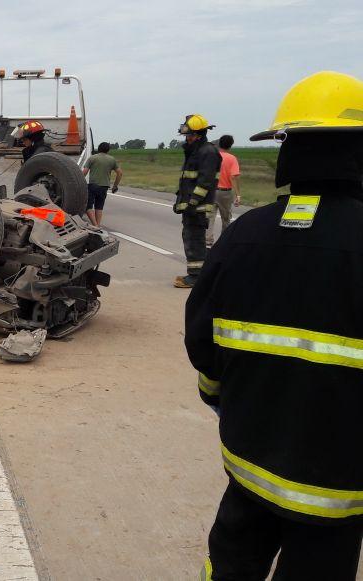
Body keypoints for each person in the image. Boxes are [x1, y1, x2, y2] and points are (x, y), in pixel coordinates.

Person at [185, 71, 363, 580]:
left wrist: (222, 395)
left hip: (248, 466)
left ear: (290, 151)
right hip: (339, 493)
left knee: (229, 567)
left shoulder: (245, 234)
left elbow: (202, 339)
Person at [173, 114, 221, 288]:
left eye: (190, 135)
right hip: (192, 205)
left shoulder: (207, 152)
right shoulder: (195, 151)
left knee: (195, 239)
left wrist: (193, 202)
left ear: (199, 134)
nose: (188, 138)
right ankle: (202, 273)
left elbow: (205, 181)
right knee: (192, 237)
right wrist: (180, 202)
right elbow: (187, 180)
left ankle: (196, 276)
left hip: (198, 206)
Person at [205, 135, 241, 247]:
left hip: (211, 191)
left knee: (210, 217)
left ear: (219, 143)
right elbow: (233, 177)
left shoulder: (213, 157)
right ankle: (223, 242)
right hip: (225, 193)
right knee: (226, 218)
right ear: (230, 145)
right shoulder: (232, 159)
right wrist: (238, 194)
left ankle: (208, 241)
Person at [82, 142, 122, 226]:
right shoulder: (112, 159)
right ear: (108, 150)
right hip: (104, 187)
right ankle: (98, 225)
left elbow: (85, 172)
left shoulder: (92, 158)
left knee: (88, 207)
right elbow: (120, 173)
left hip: (92, 186)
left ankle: (95, 225)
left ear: (98, 148)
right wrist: (115, 185)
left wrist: (80, 182)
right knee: (99, 207)